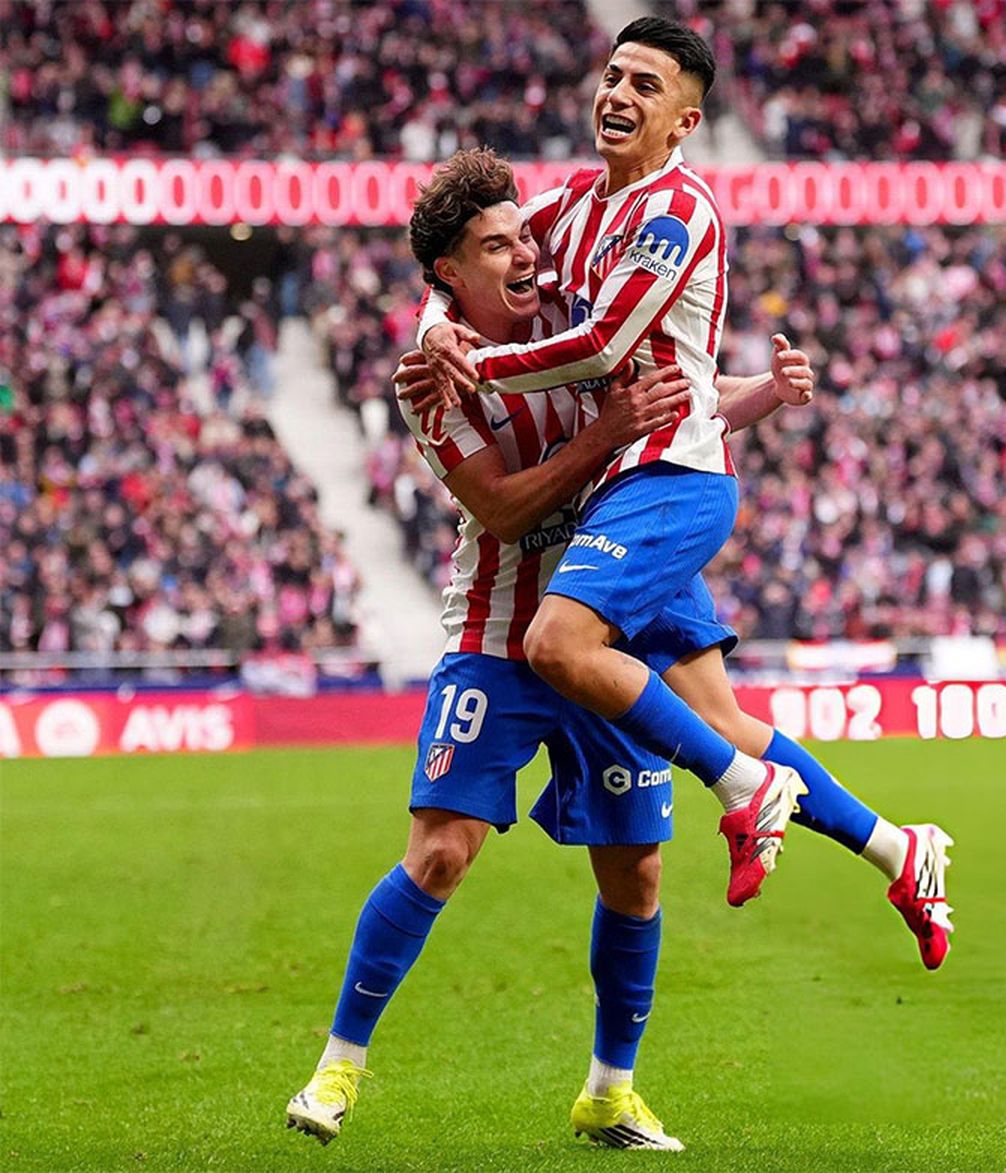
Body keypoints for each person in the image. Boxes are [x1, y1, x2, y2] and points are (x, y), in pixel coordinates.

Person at [286, 149, 813, 1152]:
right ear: (448, 271)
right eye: (497, 246)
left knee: (637, 876)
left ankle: (610, 1094)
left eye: (524, 232)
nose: (526, 254)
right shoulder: (430, 372)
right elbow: (495, 501)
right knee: (440, 852)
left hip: (597, 631)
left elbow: (671, 403)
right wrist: (599, 430)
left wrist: (762, 392)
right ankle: (338, 1071)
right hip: (497, 637)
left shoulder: (574, 302)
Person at [408, 19, 954, 933]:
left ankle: (748, 794)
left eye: (647, 87)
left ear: (685, 123)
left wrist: (473, 364)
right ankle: (904, 851)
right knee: (721, 716)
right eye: (614, 76)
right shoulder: (577, 202)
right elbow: (475, 243)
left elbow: (603, 347)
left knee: (556, 646)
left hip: (662, 481)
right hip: (620, 488)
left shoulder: (678, 211)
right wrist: (434, 325)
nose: (619, 95)